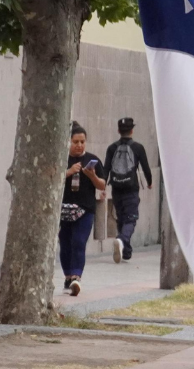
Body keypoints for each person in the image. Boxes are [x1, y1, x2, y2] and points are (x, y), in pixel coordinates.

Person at [59, 124, 105, 296]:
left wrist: (92, 175)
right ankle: (68, 276)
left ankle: (76, 278)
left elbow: (102, 184)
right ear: (68, 142)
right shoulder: (62, 159)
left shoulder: (93, 160)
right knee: (65, 244)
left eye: (82, 142)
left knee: (79, 241)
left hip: (86, 209)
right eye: (75, 141)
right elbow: (51, 179)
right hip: (64, 209)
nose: (79, 145)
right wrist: (69, 172)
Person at [103, 117, 153, 263]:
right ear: (132, 130)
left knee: (121, 218)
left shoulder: (112, 148)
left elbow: (106, 168)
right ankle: (122, 239)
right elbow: (145, 167)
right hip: (131, 188)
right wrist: (149, 182)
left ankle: (126, 252)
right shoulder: (138, 147)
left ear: (119, 131)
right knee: (131, 219)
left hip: (116, 188)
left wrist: (102, 185)